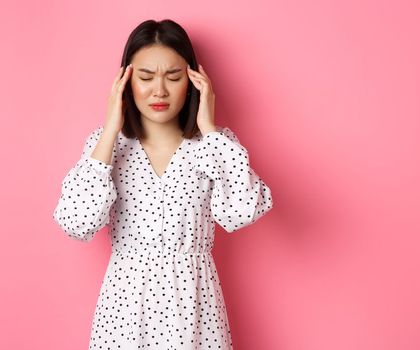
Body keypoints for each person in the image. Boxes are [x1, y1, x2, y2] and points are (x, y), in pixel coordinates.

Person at [52, 19, 273, 349]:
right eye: (145, 77)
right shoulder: (106, 147)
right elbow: (76, 222)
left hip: (196, 308)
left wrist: (210, 128)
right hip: (124, 312)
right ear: (125, 81)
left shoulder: (212, 145)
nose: (159, 90)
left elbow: (242, 211)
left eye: (173, 77)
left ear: (193, 81)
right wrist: (111, 128)